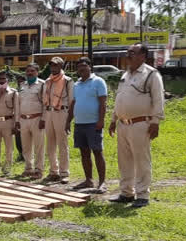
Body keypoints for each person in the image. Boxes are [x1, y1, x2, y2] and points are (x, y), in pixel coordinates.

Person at [108, 43, 165, 208]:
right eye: (127, 52)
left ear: (143, 56)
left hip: (141, 123)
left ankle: (142, 195)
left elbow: (158, 100)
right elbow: (120, 98)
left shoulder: (151, 75)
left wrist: (156, 122)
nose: (128, 56)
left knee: (141, 160)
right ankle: (126, 193)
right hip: (123, 124)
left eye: (132, 53)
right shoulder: (125, 75)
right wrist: (113, 119)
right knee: (124, 160)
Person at [66, 58, 107, 191]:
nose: (81, 69)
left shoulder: (98, 81)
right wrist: (68, 121)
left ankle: (102, 183)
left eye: (84, 66)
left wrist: (101, 120)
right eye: (79, 67)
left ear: (90, 67)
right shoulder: (77, 85)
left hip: (93, 124)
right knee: (84, 153)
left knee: (97, 152)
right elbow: (73, 103)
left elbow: (103, 103)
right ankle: (88, 180)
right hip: (79, 124)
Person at [42, 58, 74, 183]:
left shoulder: (67, 81)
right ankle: (53, 171)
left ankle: (64, 172)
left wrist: (69, 120)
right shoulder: (48, 81)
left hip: (62, 112)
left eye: (55, 65)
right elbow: (45, 100)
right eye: (51, 65)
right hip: (49, 112)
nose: (53, 67)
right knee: (50, 144)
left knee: (62, 143)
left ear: (61, 66)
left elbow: (72, 101)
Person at [16, 63, 46, 179]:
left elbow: (45, 103)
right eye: (28, 71)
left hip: (37, 119)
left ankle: (38, 170)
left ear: (37, 72)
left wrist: (43, 119)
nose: (30, 73)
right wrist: (17, 120)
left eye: (32, 71)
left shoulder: (42, 85)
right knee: (26, 146)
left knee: (39, 146)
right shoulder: (22, 85)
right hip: (23, 119)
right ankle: (28, 168)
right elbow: (18, 104)